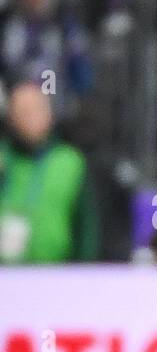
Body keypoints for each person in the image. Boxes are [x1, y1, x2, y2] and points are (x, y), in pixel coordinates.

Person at [0, 82, 97, 264]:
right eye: (22, 111)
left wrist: (84, 271)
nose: (30, 118)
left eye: (36, 110)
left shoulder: (70, 162)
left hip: (55, 276)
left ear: (50, 115)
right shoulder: (3, 160)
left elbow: (86, 227)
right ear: (9, 117)